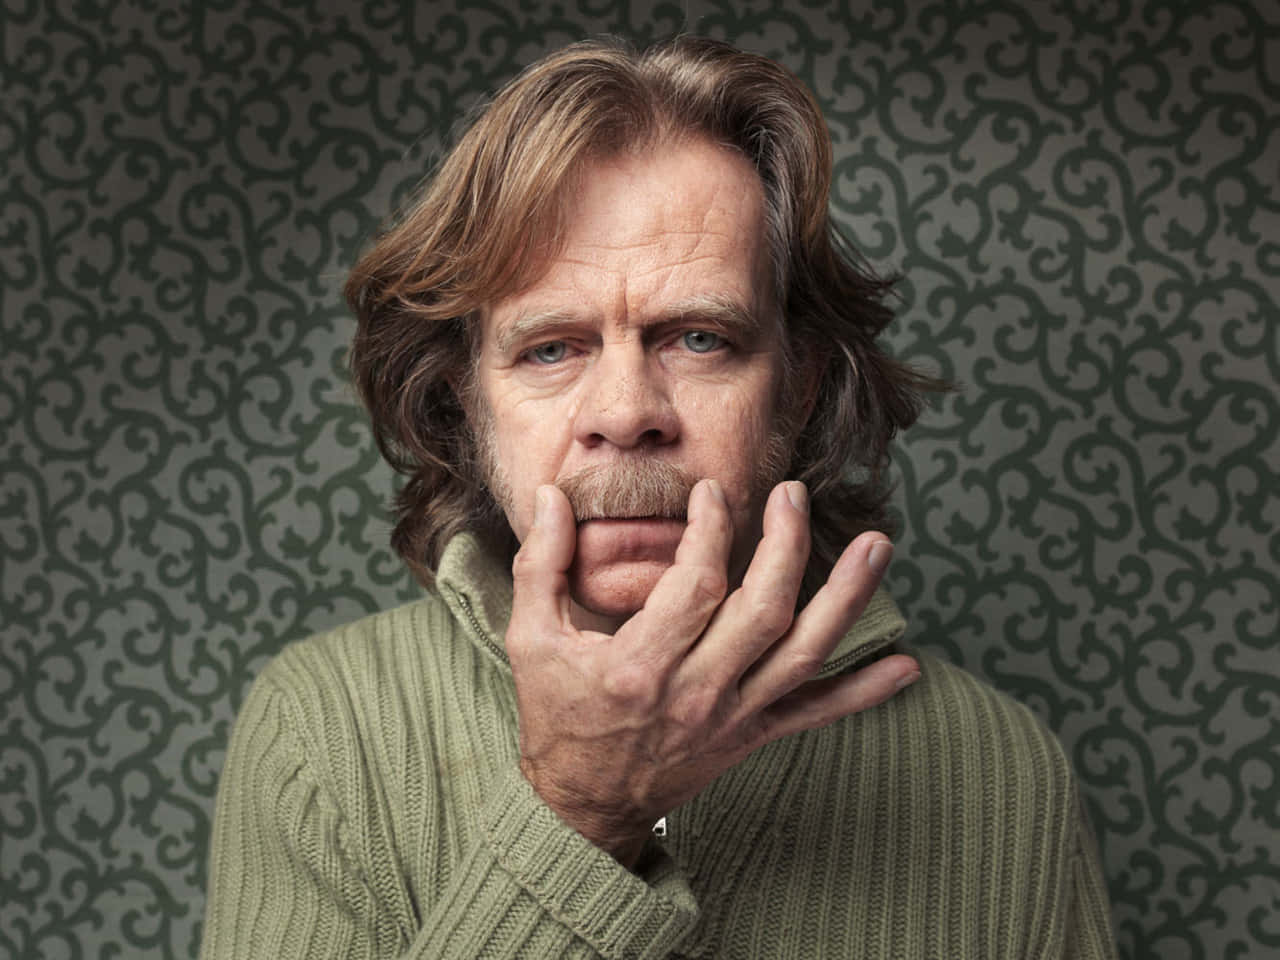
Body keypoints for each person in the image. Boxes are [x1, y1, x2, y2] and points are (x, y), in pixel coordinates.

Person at [200, 36, 1118, 959]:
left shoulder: (1002, 771)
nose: (628, 412)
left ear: (796, 390)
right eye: (551, 348)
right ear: (465, 405)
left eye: (699, 339)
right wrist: (582, 807)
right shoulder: (321, 729)